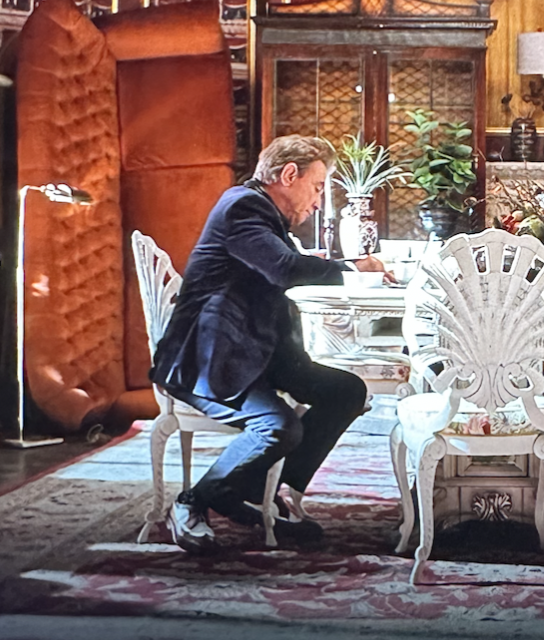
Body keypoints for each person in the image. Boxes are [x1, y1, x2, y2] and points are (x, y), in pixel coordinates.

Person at [151, 134, 388, 553]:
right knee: (277, 426)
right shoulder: (242, 207)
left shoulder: (263, 215)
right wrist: (351, 271)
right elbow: (283, 270)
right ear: (288, 175)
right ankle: (193, 502)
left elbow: (287, 267)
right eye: (317, 188)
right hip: (207, 358)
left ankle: (260, 494)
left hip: (254, 352)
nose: (318, 202)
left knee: (347, 391)